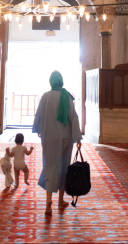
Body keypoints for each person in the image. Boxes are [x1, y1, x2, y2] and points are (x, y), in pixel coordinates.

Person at [33, 71, 82, 215]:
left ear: (51, 82)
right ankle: (60, 201)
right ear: (61, 81)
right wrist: (77, 138)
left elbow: (39, 115)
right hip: (65, 139)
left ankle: (48, 204)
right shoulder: (67, 96)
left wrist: (38, 129)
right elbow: (73, 117)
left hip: (48, 138)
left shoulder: (45, 96)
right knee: (63, 168)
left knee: (50, 167)